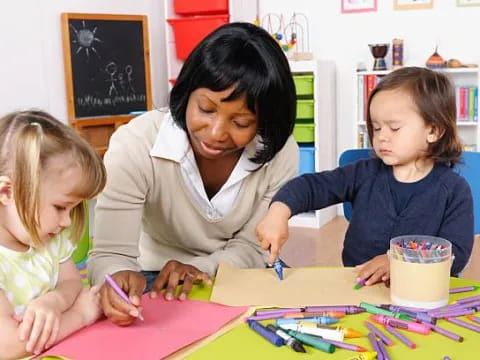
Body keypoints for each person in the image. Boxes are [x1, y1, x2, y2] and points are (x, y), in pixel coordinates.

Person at [88, 22, 298, 326]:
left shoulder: (279, 152)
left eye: (240, 123)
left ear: (264, 122)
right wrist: (118, 277)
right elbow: (110, 251)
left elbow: (254, 247)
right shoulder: (136, 143)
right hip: (152, 274)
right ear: (187, 92)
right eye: (205, 109)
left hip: (238, 268)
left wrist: (202, 267)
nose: (215, 133)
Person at [257, 66, 474, 286]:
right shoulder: (363, 173)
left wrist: (399, 262)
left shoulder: (454, 190)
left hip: (421, 291)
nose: (381, 137)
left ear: (433, 131)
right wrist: (279, 211)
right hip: (359, 288)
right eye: (377, 128)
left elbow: (456, 254)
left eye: (394, 128)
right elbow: (312, 186)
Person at [0, 110, 107, 358]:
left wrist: (54, 302)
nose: (66, 221)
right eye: (60, 207)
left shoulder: (49, 239)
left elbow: (71, 283)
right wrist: (79, 315)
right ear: (6, 192)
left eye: (72, 209)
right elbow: (7, 345)